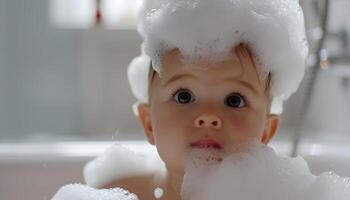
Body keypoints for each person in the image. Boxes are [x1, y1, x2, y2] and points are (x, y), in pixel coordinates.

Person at [101, 0, 308, 199]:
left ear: (265, 133)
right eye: (184, 97)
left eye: (234, 100)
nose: (208, 116)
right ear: (149, 125)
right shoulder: (118, 194)